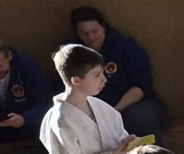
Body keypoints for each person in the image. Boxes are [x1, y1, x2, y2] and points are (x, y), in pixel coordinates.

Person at [68, 8, 167, 138]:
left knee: (138, 118)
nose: (91, 37)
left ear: (103, 26)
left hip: (131, 105)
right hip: (91, 110)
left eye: (94, 31)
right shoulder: (72, 53)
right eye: (84, 33)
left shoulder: (125, 47)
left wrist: (113, 112)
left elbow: (141, 86)